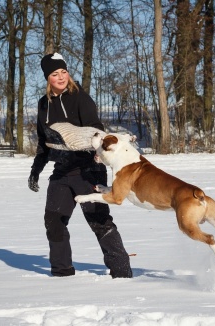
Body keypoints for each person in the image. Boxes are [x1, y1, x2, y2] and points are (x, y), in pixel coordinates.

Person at [28, 53, 132, 278]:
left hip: (88, 169)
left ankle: (121, 272)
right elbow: (44, 140)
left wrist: (98, 156)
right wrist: (36, 169)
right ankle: (62, 273)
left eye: (63, 72)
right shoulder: (43, 104)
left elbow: (96, 130)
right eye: (55, 74)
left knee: (99, 220)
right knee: (53, 221)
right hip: (62, 169)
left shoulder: (80, 97)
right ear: (47, 78)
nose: (61, 77)